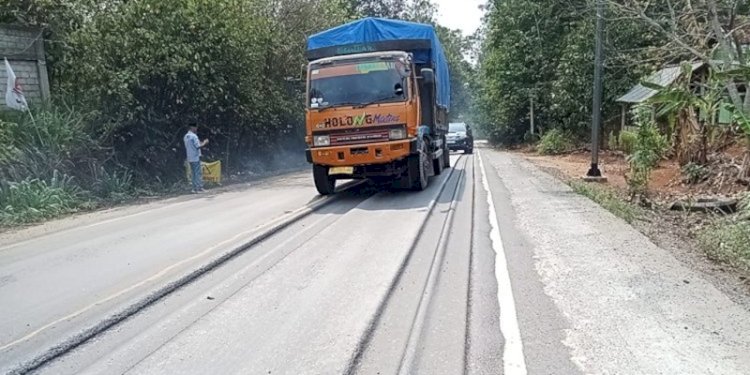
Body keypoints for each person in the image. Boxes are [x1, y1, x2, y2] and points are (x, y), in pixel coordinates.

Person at [184, 123, 209, 193]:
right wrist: (205, 142)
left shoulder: (186, 136)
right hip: (195, 157)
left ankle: (194, 188)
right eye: (196, 127)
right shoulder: (194, 136)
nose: (196, 129)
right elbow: (198, 146)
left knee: (193, 173)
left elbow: (192, 145)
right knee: (198, 173)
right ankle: (199, 188)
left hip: (189, 157)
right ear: (192, 127)